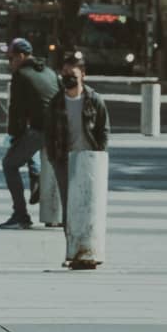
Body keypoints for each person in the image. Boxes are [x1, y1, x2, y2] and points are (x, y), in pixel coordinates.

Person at [46, 50, 110, 268]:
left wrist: (99, 155)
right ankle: (73, 251)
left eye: (72, 74)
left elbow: (104, 129)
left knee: (90, 206)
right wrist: (53, 158)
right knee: (69, 208)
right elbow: (49, 132)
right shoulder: (56, 102)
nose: (67, 78)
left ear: (83, 74)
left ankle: (90, 249)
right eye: (64, 73)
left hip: (89, 161)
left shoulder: (94, 100)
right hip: (64, 160)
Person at [0, 37, 59, 229]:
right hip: (59, 131)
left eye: (11, 58)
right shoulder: (49, 71)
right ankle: (36, 178)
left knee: (9, 164)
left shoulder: (21, 75)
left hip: (41, 130)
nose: (9, 63)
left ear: (21, 56)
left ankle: (21, 215)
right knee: (28, 142)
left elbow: (16, 111)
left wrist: (13, 137)